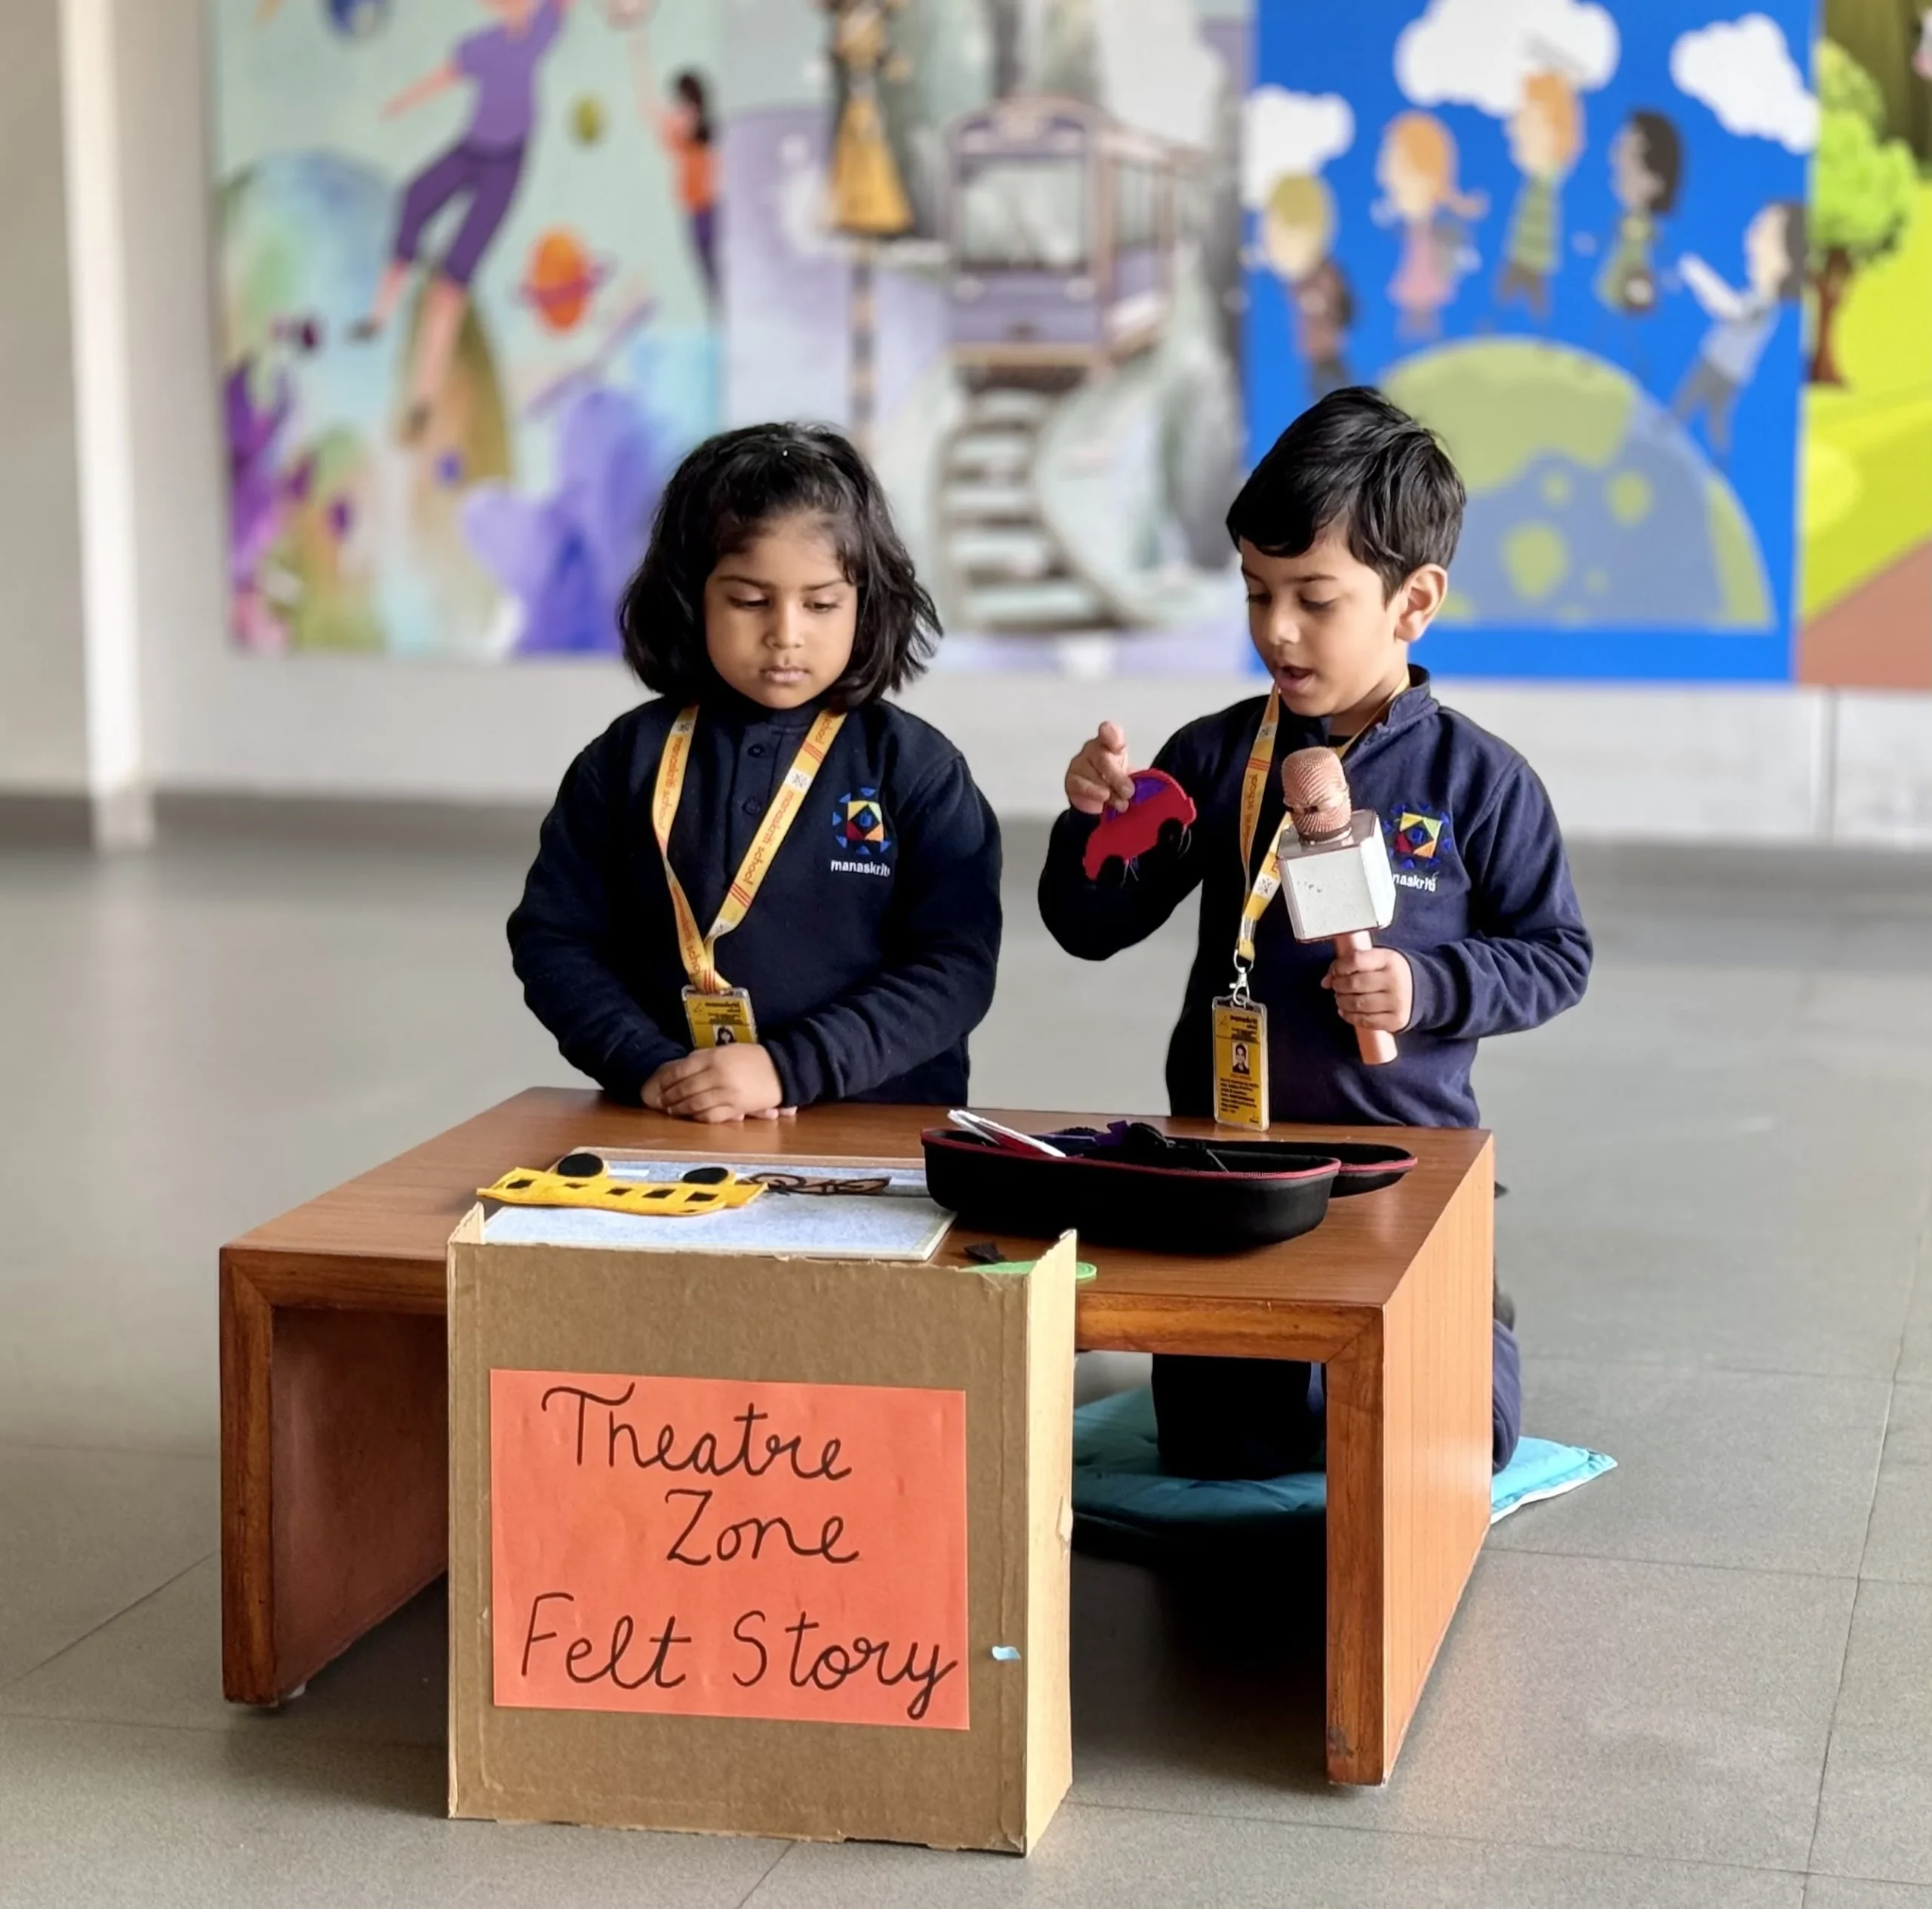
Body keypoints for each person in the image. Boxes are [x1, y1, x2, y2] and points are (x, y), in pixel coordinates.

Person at [1040, 388, 1592, 1478]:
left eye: (1314, 597)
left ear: (1414, 601)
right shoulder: (1213, 754)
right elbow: (1087, 925)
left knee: (1445, 1444)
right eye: (1256, 591)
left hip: (1403, 1161)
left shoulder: (1481, 782)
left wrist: (1429, 985)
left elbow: (1556, 954)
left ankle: (1473, 1317)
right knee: (1217, 1450)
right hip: (1231, 1159)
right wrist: (1093, 823)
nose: (1276, 629)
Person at [509, 423, 1001, 1123]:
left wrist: (787, 1068)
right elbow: (555, 938)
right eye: (748, 601)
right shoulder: (624, 760)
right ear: (691, 596)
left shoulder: (918, 770)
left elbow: (956, 970)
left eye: (822, 603)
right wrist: (646, 1065)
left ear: (866, 603)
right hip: (673, 1124)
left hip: (880, 1133)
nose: (786, 633)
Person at [352, 0, 577, 441]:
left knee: (449, 286)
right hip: (470, 151)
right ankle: (380, 311)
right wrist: (402, 102)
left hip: (504, 168)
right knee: (415, 199)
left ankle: (422, 400)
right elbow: (445, 77)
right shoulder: (482, 45)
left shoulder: (540, 32)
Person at [1674, 200, 1807, 460]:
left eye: (1762, 232)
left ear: (1787, 258)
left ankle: (1714, 454)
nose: (1750, 238)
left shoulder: (1764, 307)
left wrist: (1698, 276)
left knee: (1706, 409)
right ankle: (1696, 444)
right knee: (1700, 406)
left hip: (1723, 367)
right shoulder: (1757, 299)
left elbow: (1730, 310)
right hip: (1722, 363)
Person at [626, 9, 719, 300]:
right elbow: (649, 108)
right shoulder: (681, 139)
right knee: (712, 284)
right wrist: (638, 48)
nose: (678, 112)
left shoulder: (712, 138)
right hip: (696, 216)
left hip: (716, 213)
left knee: (725, 276)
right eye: (677, 105)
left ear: (697, 106)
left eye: (684, 105)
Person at [1375, 112, 1487, 341]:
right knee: (1412, 320)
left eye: (1395, 165)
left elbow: (1456, 241)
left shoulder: (1442, 228)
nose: (1385, 177)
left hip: (1430, 276)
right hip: (1417, 274)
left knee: (1427, 319)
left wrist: (1459, 255)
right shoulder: (1407, 225)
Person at [1497, 71, 1583, 321]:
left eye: (1525, 119)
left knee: (1534, 301)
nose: (1513, 128)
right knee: (1509, 296)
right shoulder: (1536, 182)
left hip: (1532, 254)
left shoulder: (1549, 182)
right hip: (1522, 252)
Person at [1260, 174, 1354, 401]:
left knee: (1335, 377)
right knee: (1319, 386)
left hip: (1327, 345)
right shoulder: (1295, 281)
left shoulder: (1325, 274)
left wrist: (1322, 306)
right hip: (1314, 348)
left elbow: (1336, 302)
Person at [1596, 110, 1683, 318]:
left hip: (1633, 274)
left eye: (1629, 155)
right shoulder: (1625, 219)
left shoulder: (1645, 226)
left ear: (1656, 180)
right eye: (1619, 151)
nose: (1617, 160)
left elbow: (1658, 246)